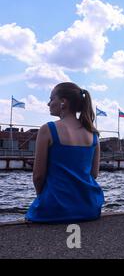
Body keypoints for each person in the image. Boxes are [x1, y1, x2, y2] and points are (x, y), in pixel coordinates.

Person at [25, 83, 104, 223]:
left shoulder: (48, 129)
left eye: (51, 99)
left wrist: (42, 199)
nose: (48, 103)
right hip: (88, 208)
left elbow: (38, 176)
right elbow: (93, 174)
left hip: (54, 208)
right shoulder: (93, 135)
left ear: (63, 102)